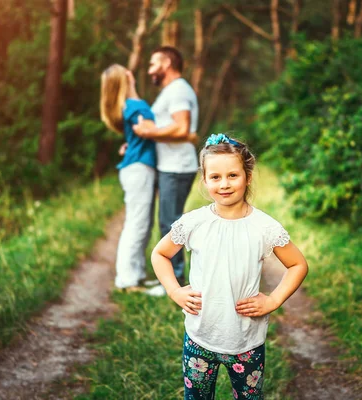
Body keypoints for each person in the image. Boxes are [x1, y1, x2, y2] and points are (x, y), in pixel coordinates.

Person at [150, 134, 309, 399]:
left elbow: (298, 264)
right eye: (215, 177)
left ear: (247, 175)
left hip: (246, 341)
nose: (224, 184)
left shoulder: (264, 227)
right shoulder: (194, 223)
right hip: (199, 337)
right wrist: (175, 291)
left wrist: (274, 300)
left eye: (232, 175)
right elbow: (160, 254)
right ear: (204, 180)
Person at [132, 46, 199, 294]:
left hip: (177, 167)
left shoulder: (179, 90)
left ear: (167, 63)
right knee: (167, 222)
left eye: (153, 64)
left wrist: (148, 132)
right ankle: (169, 279)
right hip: (169, 166)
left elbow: (182, 128)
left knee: (171, 225)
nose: (150, 70)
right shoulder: (171, 91)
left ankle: (177, 282)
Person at [100, 64, 158, 291]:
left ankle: (137, 274)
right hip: (139, 169)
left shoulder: (130, 105)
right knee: (137, 224)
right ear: (126, 77)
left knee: (142, 223)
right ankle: (127, 280)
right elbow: (150, 129)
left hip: (136, 167)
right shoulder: (134, 106)